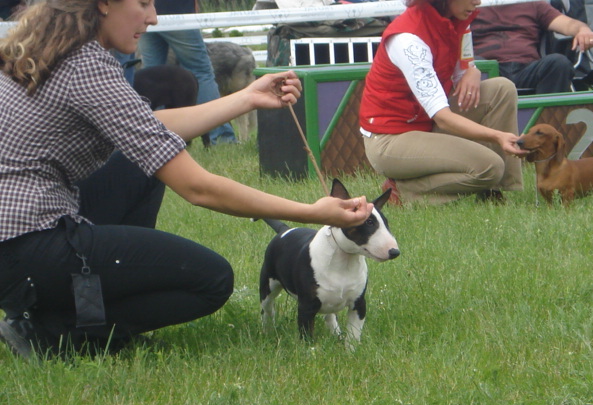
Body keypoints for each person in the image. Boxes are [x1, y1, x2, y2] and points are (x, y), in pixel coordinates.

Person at [0, 0, 373, 359]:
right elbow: (198, 188)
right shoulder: (86, 65)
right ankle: (59, 330)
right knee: (209, 278)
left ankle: (72, 309)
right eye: (144, 3)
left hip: (13, 243)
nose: (154, 18)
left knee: (140, 166)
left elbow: (147, 129)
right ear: (104, 4)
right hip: (27, 246)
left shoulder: (48, 50)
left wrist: (246, 98)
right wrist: (312, 212)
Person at [359, 0, 526, 206]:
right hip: (390, 140)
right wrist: (497, 136)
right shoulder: (408, 39)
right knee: (489, 167)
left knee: (502, 88)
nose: (478, 2)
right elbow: (443, 118)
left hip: (425, 123)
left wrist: (472, 71)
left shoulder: (456, 20)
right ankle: (403, 191)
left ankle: (494, 192)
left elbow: (462, 70)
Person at [137, 0, 237, 145]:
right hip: (177, 12)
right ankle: (221, 137)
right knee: (201, 72)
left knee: (151, 75)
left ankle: (156, 139)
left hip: (145, 12)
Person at [471, 0, 593, 94]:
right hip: (488, 69)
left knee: (558, 62)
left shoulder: (532, 3)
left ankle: (547, 122)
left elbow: (568, 23)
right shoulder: (470, 5)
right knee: (472, 66)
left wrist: (583, 30)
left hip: (526, 69)